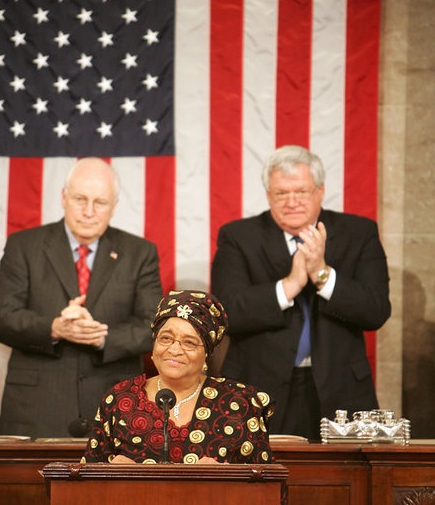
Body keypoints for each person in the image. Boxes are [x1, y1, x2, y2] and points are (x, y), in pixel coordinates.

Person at [211, 145, 391, 440]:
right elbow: (227, 313)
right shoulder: (238, 236)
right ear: (268, 195)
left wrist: (322, 274)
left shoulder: (359, 233)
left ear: (320, 191)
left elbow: (376, 311)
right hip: (258, 388)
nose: (291, 201)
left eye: (301, 191)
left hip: (341, 388)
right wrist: (290, 285)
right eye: (281, 193)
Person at [0, 157, 163, 439]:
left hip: (115, 406)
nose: (89, 211)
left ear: (114, 206)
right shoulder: (24, 246)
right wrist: (54, 327)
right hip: (36, 408)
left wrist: (101, 336)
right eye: (80, 199)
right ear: (64, 198)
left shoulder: (140, 253)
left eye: (100, 202)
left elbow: (154, 328)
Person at [81, 290, 273, 464]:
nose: (174, 350)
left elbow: (269, 490)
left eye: (189, 343)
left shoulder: (241, 403)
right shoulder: (119, 399)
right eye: (165, 338)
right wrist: (112, 476)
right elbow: (85, 485)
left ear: (206, 354)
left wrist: (225, 479)